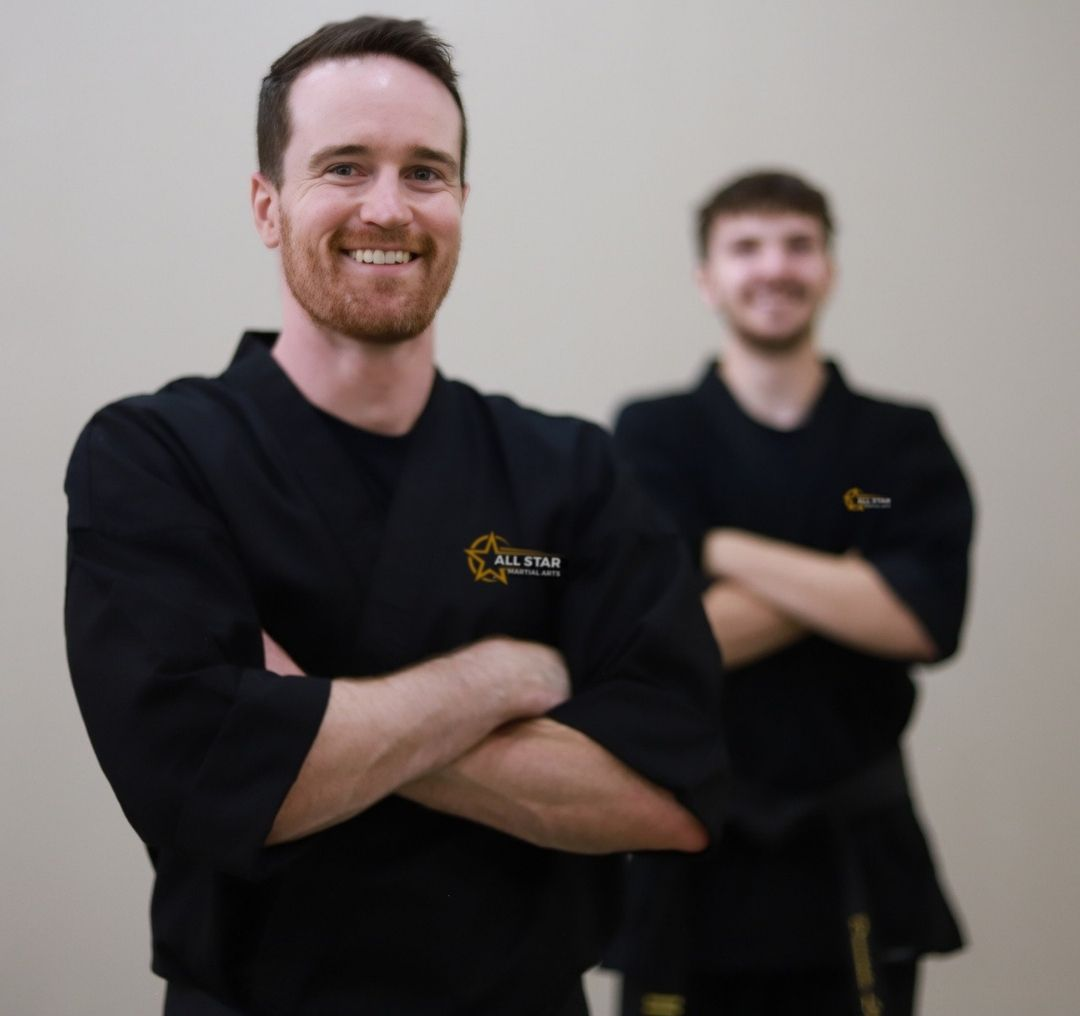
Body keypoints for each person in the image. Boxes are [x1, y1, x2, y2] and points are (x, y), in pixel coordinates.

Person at [63, 17, 728, 1016]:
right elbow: (196, 775)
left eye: (426, 172)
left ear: (461, 199)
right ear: (266, 204)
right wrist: (505, 677)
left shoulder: (570, 471)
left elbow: (670, 798)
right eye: (344, 165)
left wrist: (305, 717)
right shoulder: (157, 457)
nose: (389, 207)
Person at [607, 170, 974, 1016]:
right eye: (746, 247)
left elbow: (923, 618)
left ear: (830, 268)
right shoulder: (655, 436)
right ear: (707, 279)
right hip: (689, 850)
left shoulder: (898, 442)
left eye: (798, 244)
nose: (774, 267)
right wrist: (850, 575)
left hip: (854, 850)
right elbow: (655, 637)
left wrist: (718, 545)